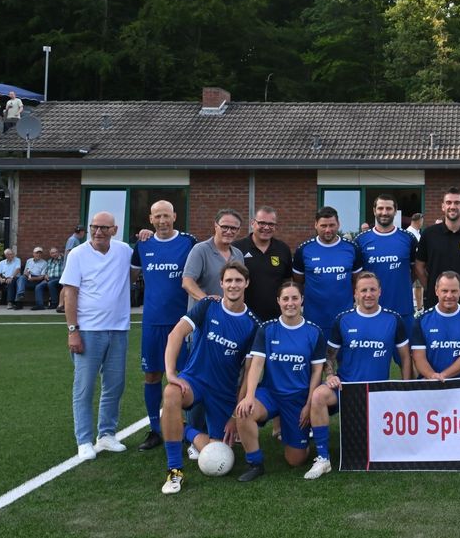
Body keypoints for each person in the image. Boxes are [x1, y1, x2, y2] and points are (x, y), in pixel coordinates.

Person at [159, 261, 262, 494]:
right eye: (229, 280)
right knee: (171, 392)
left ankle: (184, 428)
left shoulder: (253, 325)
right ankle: (174, 471)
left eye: (238, 280)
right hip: (194, 381)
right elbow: (176, 334)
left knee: (219, 453)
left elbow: (248, 372)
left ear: (246, 283)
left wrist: (236, 414)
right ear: (221, 283)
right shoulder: (207, 305)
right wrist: (171, 373)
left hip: (223, 393)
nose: (233, 285)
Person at [304, 271, 411, 480]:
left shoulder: (393, 319)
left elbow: (406, 358)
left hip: (378, 392)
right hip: (347, 388)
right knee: (318, 396)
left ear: (380, 292)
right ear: (355, 293)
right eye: (364, 290)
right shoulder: (343, 319)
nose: (368, 294)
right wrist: (331, 374)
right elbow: (329, 356)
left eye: (372, 289)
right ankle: (323, 458)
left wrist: (406, 388)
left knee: (373, 448)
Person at [234, 281, 325, 482]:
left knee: (295, 460)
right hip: (270, 393)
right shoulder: (267, 329)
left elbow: (317, 372)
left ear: (302, 300)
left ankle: (298, 434)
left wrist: (309, 404)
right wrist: (249, 396)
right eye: (285, 298)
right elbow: (256, 364)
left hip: (297, 399)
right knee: (243, 411)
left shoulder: (314, 332)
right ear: (278, 301)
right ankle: (255, 462)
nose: (290, 303)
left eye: (294, 298)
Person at [61, 212, 133, 461]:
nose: (98, 232)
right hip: (88, 331)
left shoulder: (124, 251)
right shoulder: (77, 254)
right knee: (84, 388)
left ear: (114, 230)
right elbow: (69, 293)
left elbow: (136, 270)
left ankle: (106, 434)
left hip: (119, 329)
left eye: (104, 228)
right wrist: (73, 331)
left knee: (114, 385)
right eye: (94, 227)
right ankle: (83, 440)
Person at [130, 200, 198, 451]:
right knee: (152, 375)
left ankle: (185, 428)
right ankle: (156, 429)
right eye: (157, 216)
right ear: (150, 219)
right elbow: (130, 276)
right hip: (152, 322)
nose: (162, 221)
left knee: (183, 377)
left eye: (166, 216)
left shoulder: (189, 242)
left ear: (175, 216)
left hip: (182, 323)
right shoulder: (143, 244)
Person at [292, 206, 363, 341]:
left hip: (345, 317)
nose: (328, 230)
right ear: (315, 225)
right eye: (323, 226)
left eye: (332, 225)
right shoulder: (304, 250)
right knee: (316, 360)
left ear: (338, 224)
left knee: (345, 359)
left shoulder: (352, 248)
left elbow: (357, 281)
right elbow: (298, 282)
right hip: (313, 318)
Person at [355, 194, 419, 340]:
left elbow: (415, 271)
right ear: (374, 210)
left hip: (403, 309)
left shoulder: (408, 238)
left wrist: (401, 283)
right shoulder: (361, 240)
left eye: (388, 208)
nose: (384, 212)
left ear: (395, 211)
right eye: (381, 208)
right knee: (373, 357)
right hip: (371, 310)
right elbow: (357, 277)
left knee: (407, 359)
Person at [414, 188, 460, 311]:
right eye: (448, 203)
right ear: (443, 206)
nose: (452, 206)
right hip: (435, 301)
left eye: (457, 203)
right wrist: (433, 287)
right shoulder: (429, 234)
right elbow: (419, 266)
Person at [411, 271, 460, 379]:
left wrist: (443, 376)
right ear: (436, 291)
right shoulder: (421, 320)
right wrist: (432, 376)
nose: (449, 295)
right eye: (444, 291)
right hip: (430, 383)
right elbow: (418, 357)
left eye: (454, 291)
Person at [233, 206, 294, 322]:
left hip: (275, 317)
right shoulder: (237, 248)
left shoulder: (283, 249)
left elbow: (287, 281)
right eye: (261, 223)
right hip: (243, 316)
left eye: (271, 224)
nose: (266, 227)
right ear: (252, 223)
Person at [182, 208, 245, 302]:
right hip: (203, 315)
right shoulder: (200, 250)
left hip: (227, 314)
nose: (228, 231)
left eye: (233, 228)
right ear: (216, 226)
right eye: (224, 227)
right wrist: (207, 301)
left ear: (238, 230)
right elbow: (187, 282)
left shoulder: (238, 254)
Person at [40, 246, 64, 311]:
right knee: (39, 286)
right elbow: (46, 271)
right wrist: (45, 275)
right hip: (50, 278)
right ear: (50, 254)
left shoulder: (63, 259)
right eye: (52, 253)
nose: (55, 254)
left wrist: (62, 255)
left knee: (50, 284)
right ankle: (39, 305)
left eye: (56, 252)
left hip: (60, 278)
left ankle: (54, 303)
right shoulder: (49, 261)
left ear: (58, 252)